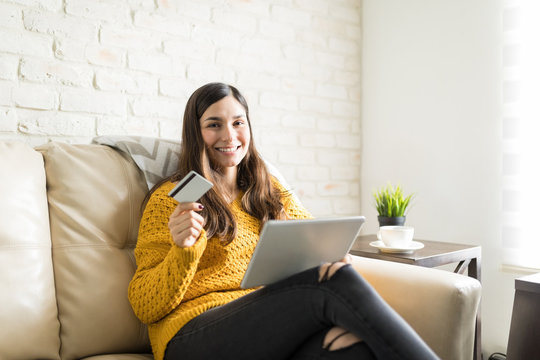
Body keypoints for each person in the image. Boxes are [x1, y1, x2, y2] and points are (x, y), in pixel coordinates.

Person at [128, 82, 439, 360]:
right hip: (191, 336)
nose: (229, 135)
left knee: (347, 345)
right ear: (195, 133)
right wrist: (183, 251)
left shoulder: (270, 192)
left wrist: (331, 253)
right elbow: (145, 305)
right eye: (214, 124)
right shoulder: (170, 200)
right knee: (333, 279)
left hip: (266, 326)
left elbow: (315, 245)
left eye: (238, 122)